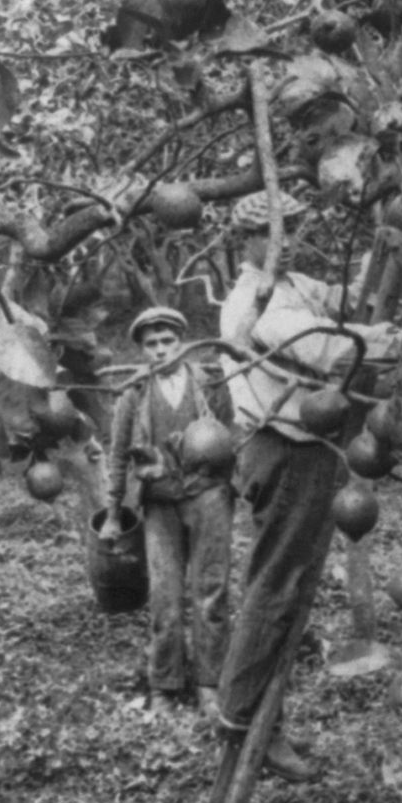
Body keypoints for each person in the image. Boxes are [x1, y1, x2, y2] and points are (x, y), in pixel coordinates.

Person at [216, 190, 402, 781]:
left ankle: (260, 721)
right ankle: (239, 720)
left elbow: (350, 302)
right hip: (283, 450)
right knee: (276, 586)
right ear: (245, 241)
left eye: (294, 227)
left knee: (291, 586)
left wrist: (387, 255)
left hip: (312, 447)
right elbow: (326, 343)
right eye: (276, 231)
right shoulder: (254, 304)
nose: (289, 240)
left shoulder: (294, 282)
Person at [100, 306, 235, 719]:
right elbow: (119, 455)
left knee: (211, 592)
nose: (161, 351)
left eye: (168, 342)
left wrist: (232, 483)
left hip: (208, 496)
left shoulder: (209, 384)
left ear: (183, 342)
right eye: (151, 344)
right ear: (142, 350)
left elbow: (230, 438)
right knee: (165, 598)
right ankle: (165, 684)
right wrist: (111, 512)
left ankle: (210, 683)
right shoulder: (134, 393)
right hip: (159, 504)